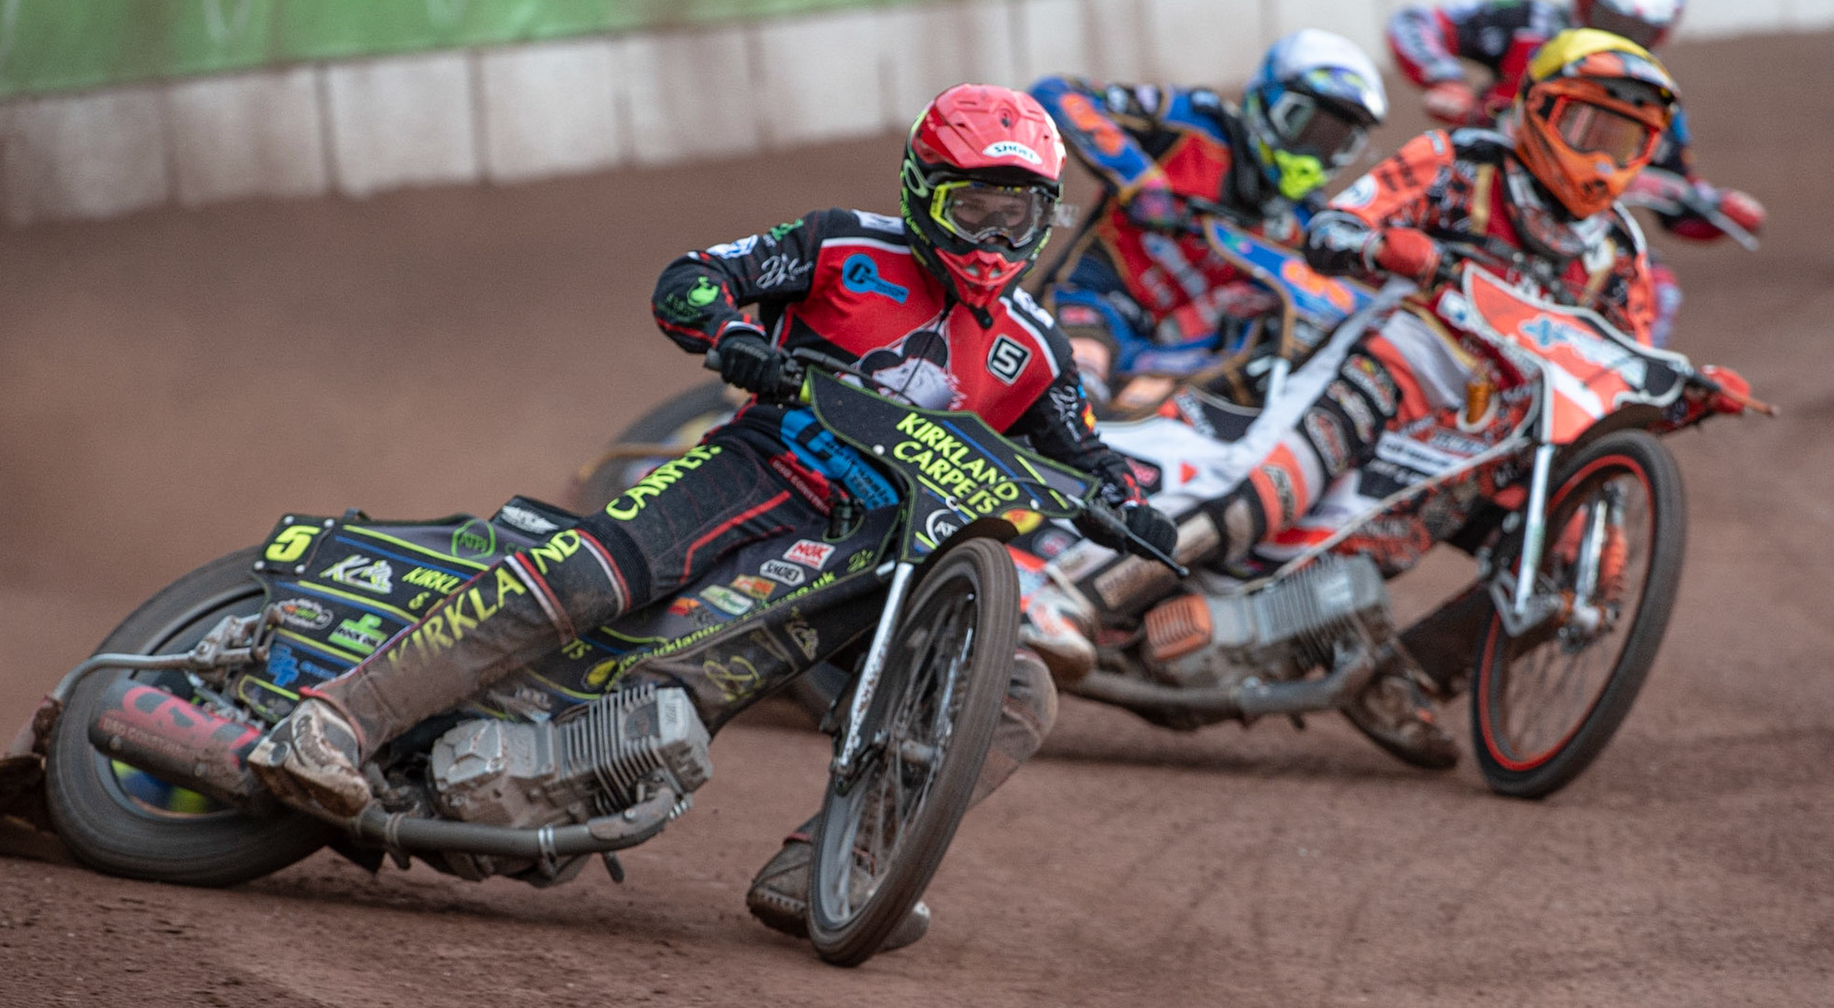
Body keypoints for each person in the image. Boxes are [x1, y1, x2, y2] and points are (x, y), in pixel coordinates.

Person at [248, 84, 1177, 948]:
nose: (995, 232)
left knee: (1020, 689)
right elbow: (692, 277)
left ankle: (834, 861)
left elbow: (1092, 459)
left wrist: (1136, 510)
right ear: (923, 191)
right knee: (588, 573)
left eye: (1017, 213)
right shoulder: (844, 244)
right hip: (766, 464)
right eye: (974, 205)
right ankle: (334, 722)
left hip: (880, 551)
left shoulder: (1037, 349)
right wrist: (734, 338)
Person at [1021, 30, 1681, 769]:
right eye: (1587, 128)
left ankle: (1400, 672)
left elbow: (1625, 368)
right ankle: (1061, 592)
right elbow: (1341, 222)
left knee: (1561, 555)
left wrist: (1685, 402)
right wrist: (1381, 246)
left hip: (1490, 434)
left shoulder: (1619, 255)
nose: (1601, 156)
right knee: (1261, 496)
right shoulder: (1459, 161)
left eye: (1626, 139)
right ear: (1539, 108)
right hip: (1385, 367)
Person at [1386, 0, 1763, 345]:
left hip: (1573, 226)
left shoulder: (1651, 98)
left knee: (1654, 286)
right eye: (1611, 20)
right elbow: (1414, 22)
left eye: (1636, 31)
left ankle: (1616, 393)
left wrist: (1719, 211)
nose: (1618, 39)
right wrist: (1443, 76)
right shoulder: (1529, 24)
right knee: (1393, 232)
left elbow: (1680, 200)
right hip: (1476, 190)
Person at [1028, 30, 1388, 408]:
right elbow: (1056, 93)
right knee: (1078, 389)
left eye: (1337, 142)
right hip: (1096, 302)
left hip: (1178, 354)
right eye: (1307, 126)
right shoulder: (1193, 123)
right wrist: (1138, 178)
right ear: (1267, 100)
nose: (1315, 153)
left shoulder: (1306, 224)